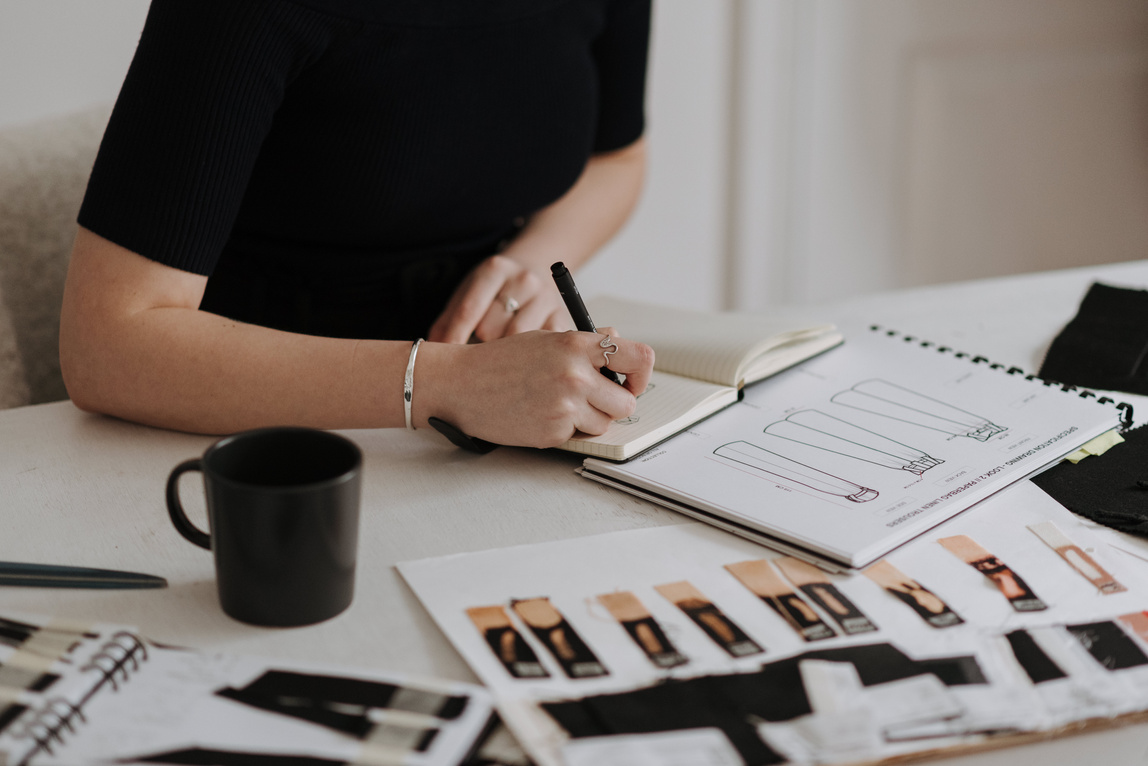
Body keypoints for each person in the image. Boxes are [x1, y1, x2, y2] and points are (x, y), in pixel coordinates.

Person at [57, 0, 656, 448]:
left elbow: (617, 156)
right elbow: (106, 346)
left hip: (497, 402)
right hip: (254, 433)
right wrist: (449, 385)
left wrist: (534, 260)